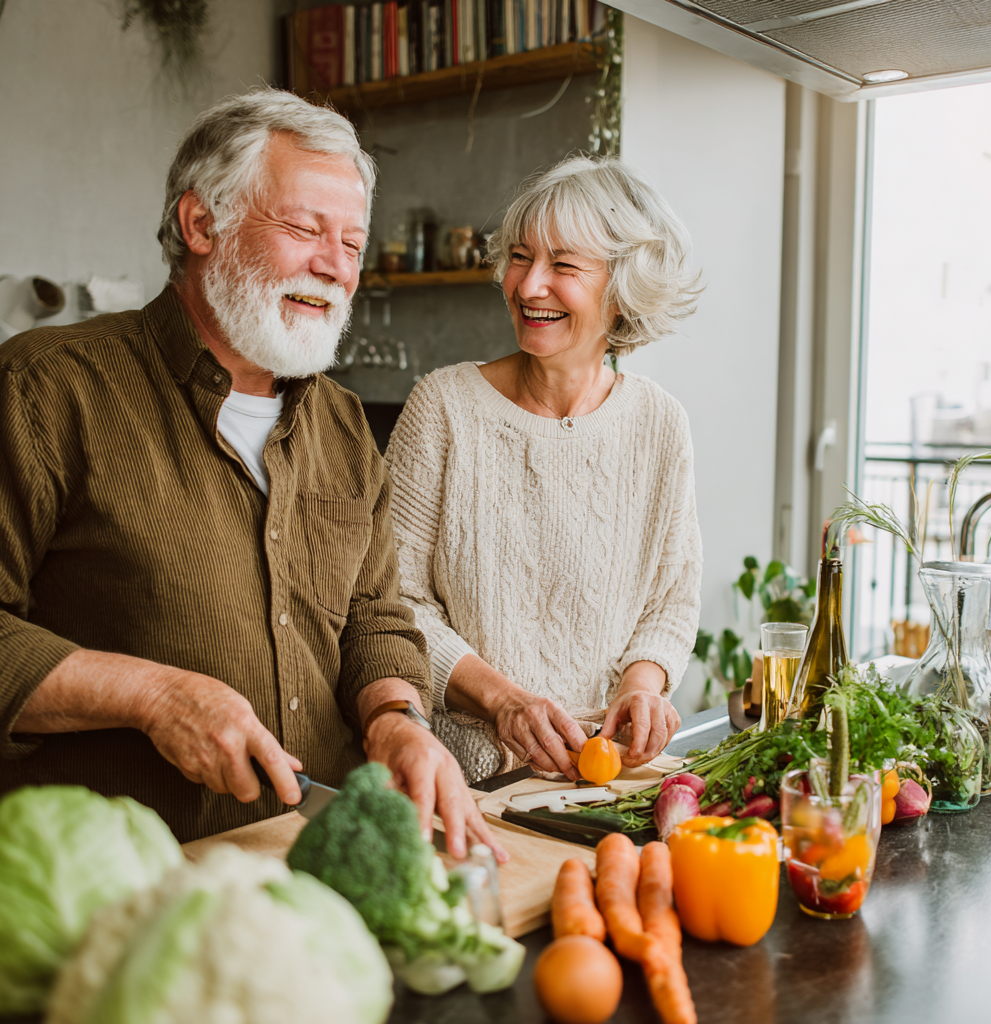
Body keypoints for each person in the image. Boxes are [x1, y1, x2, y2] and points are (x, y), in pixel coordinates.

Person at [0, 88, 500, 859]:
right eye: (305, 229)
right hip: (118, 887)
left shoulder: (342, 423)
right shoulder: (46, 389)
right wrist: (154, 696)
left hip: (313, 868)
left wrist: (396, 719)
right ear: (202, 224)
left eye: (353, 245)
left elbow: (373, 613)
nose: (334, 268)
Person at [385, 155, 703, 784]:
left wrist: (643, 686)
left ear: (621, 289)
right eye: (522, 257)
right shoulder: (444, 408)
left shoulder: (661, 424)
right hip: (466, 781)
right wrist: (503, 701)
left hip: (607, 780)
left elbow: (672, 599)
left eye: (562, 265)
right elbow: (393, 601)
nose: (529, 285)